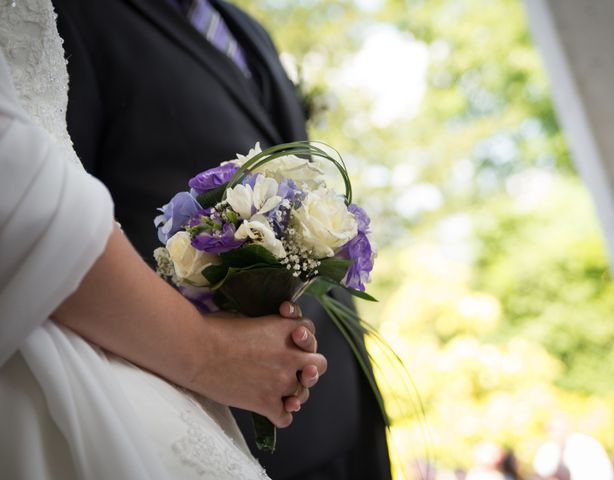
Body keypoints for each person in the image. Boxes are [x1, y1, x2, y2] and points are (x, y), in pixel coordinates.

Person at [51, 0, 392, 478]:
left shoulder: (245, 29)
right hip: (225, 418)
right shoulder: (68, 16)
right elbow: (56, 222)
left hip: (347, 408)